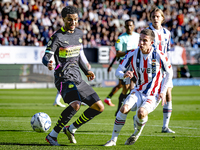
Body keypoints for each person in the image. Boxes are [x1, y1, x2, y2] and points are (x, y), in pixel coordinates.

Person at [42, 6, 104, 146]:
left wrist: (86, 71)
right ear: (63, 19)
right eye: (70, 20)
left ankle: (71, 128)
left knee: (99, 107)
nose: (73, 22)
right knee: (76, 105)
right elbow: (46, 57)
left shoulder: (79, 34)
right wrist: (49, 63)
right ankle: (52, 135)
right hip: (63, 78)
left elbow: (78, 57)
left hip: (78, 78)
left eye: (75, 19)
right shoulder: (57, 37)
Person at [104, 28, 173, 146]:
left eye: (144, 41)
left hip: (153, 93)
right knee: (124, 108)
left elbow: (169, 73)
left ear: (152, 42)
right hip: (138, 90)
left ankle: (137, 132)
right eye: (140, 40)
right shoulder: (132, 54)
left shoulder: (160, 55)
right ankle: (113, 140)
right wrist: (123, 74)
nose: (141, 43)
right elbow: (118, 71)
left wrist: (163, 90)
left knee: (141, 113)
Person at [147, 7, 175, 133]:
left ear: (162, 18)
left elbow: (167, 51)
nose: (155, 18)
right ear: (151, 18)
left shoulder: (167, 33)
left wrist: (169, 66)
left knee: (168, 94)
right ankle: (139, 118)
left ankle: (165, 126)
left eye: (158, 16)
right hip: (151, 68)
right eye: (153, 16)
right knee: (147, 93)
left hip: (164, 68)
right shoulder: (147, 32)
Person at [104, 19, 140, 116]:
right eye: (127, 25)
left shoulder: (138, 36)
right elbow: (118, 53)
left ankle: (127, 108)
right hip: (126, 65)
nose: (129, 27)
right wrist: (129, 51)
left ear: (133, 26)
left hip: (136, 64)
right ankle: (119, 110)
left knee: (133, 87)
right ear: (125, 26)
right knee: (125, 88)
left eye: (131, 25)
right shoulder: (121, 38)